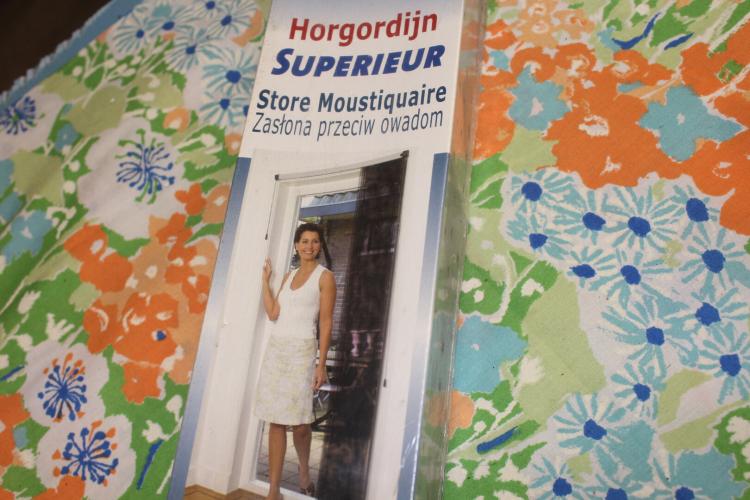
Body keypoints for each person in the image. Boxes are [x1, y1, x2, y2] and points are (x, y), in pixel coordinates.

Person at [256, 222, 336, 499]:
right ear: (296, 245)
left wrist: (321, 364)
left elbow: (326, 323)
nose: (309, 246)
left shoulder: (325, 277)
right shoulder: (288, 276)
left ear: (319, 246)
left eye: (314, 241)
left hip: (302, 352)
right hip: (277, 351)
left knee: (300, 424)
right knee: (276, 420)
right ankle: (274, 491)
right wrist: (265, 282)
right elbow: (273, 313)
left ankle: (303, 469)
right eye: (304, 241)